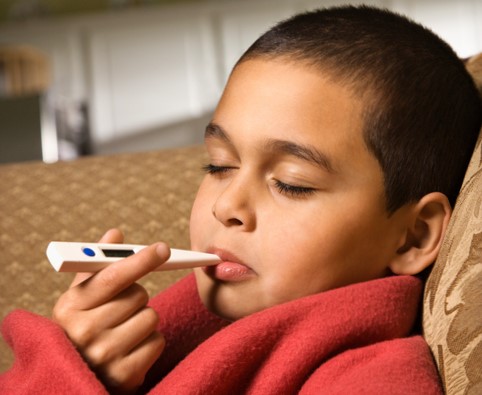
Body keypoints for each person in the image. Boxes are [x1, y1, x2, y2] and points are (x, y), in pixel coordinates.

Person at [1, 5, 481, 394]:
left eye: (291, 182)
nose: (225, 205)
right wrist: (78, 369)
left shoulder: (371, 381)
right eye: (219, 165)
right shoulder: (170, 336)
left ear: (413, 236)